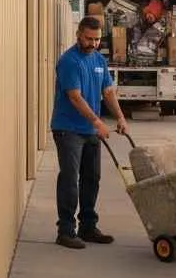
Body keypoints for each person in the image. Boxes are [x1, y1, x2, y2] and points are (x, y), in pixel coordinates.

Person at [50, 15, 129, 249]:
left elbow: (108, 92)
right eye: (88, 39)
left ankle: (87, 227)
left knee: (92, 179)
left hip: (89, 131)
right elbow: (74, 97)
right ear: (78, 35)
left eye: (96, 40)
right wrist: (97, 122)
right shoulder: (69, 61)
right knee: (69, 180)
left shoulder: (98, 60)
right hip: (68, 130)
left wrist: (120, 117)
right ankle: (65, 231)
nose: (93, 44)